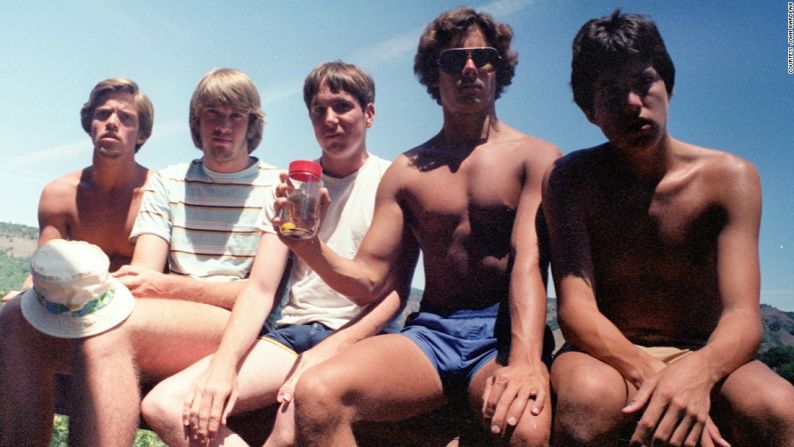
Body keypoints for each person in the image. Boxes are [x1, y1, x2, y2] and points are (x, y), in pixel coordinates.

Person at [281, 7, 561, 446]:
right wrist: (309, 245)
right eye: (452, 60)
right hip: (432, 332)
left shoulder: (536, 157)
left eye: (482, 57)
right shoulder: (408, 171)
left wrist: (525, 359)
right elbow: (370, 280)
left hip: (503, 336)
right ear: (434, 76)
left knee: (523, 429)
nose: (469, 67)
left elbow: (530, 260)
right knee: (317, 394)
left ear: (498, 68)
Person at [544, 10, 794, 446]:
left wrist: (699, 372)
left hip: (704, 348)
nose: (631, 104)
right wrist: (655, 377)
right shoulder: (571, 178)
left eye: (644, 83)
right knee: (587, 402)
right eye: (610, 92)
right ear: (590, 111)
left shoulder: (730, 178)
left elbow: (742, 316)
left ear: (669, 86)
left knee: (777, 407)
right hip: (606, 353)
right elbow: (576, 307)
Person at [2, 68, 283, 446]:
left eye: (236, 116)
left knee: (107, 332)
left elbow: (263, 294)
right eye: (213, 114)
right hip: (175, 318)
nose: (223, 126)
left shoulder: (280, 187)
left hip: (243, 325)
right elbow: (144, 278)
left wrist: (168, 285)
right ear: (196, 121)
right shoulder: (168, 183)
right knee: (11, 318)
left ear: (252, 123)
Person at [141, 61, 409, 447]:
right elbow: (261, 290)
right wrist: (223, 367)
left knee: (291, 426)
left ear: (369, 114)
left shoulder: (392, 182)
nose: (330, 119)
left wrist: (328, 352)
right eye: (319, 110)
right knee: (167, 404)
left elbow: (395, 292)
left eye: (343, 107)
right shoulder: (291, 187)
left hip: (361, 339)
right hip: (291, 334)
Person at [0, 78, 153, 446]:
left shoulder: (155, 194)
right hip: (67, 315)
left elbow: (150, 277)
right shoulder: (60, 194)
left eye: (126, 117)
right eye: (103, 114)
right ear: (90, 124)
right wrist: (18, 298)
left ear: (142, 134)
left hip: (136, 316)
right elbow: (43, 272)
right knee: (9, 319)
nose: (112, 122)